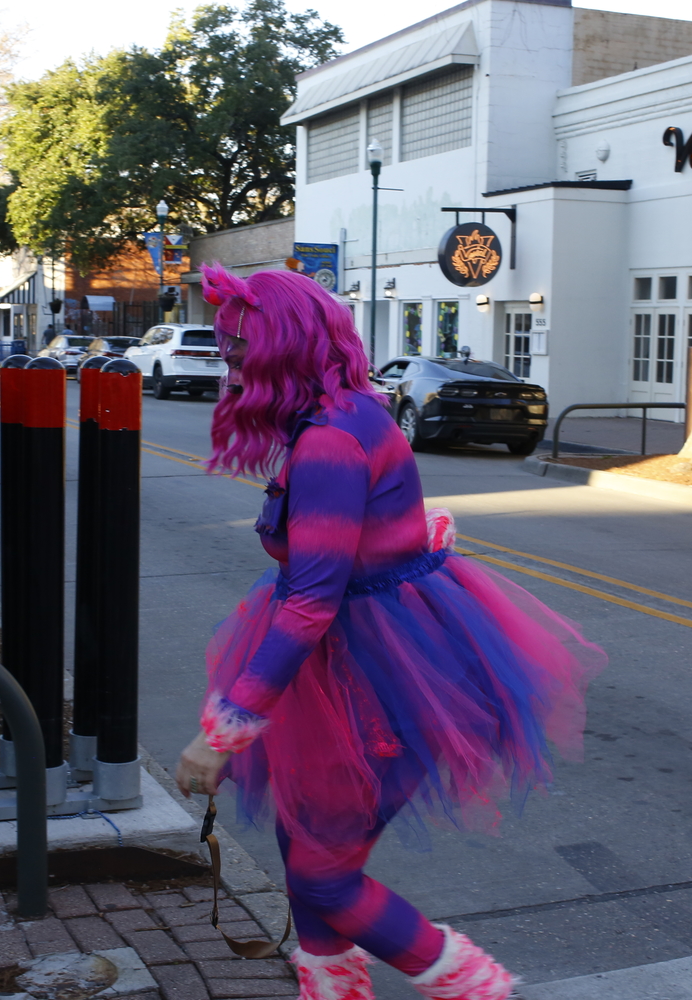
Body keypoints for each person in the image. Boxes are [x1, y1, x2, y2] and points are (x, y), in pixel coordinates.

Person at [175, 265, 605, 1000]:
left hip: (378, 672)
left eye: (239, 344)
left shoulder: (332, 440)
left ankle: (478, 988)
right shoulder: (342, 417)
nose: (228, 359)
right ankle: (335, 990)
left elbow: (310, 603)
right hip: (356, 661)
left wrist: (221, 733)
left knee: (321, 872)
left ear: (283, 344)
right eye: (225, 344)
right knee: (305, 853)